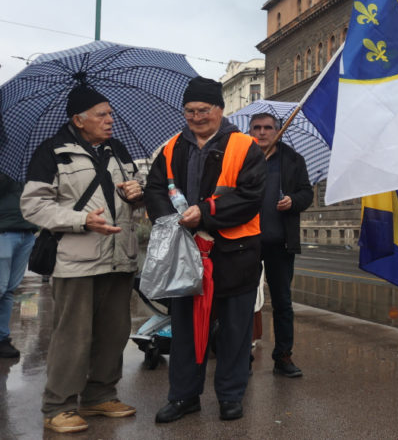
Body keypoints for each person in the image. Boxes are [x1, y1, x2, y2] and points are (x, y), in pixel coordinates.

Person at [21, 85, 144, 434]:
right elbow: (33, 206)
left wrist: (137, 192)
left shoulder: (117, 150)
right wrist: (81, 220)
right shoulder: (52, 152)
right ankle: (58, 405)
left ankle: (99, 395)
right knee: (73, 335)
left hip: (120, 255)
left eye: (110, 113)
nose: (110, 120)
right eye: (101, 114)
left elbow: (137, 185)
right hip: (76, 260)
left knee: (114, 332)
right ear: (79, 119)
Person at [143, 77, 266, 424]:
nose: (196, 117)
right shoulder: (170, 148)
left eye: (203, 110)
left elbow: (250, 197)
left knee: (234, 330)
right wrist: (172, 218)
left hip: (235, 253)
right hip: (185, 253)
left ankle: (230, 396)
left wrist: (206, 213)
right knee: (184, 328)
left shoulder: (245, 146)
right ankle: (183, 397)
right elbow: (155, 190)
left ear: (219, 110)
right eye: (189, 111)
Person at [247, 112, 313, 378]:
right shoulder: (241, 157)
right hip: (245, 243)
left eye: (267, 128)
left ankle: (283, 357)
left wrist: (293, 202)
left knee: (283, 302)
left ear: (277, 131)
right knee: (242, 302)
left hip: (280, 243)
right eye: (257, 128)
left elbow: (306, 192)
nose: (262, 133)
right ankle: (241, 355)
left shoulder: (293, 160)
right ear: (250, 131)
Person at [0, 173, 38, 359]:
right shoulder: (9, 166)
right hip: (3, 231)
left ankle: (2, 339)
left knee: (9, 290)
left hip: (26, 230)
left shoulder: (24, 167)